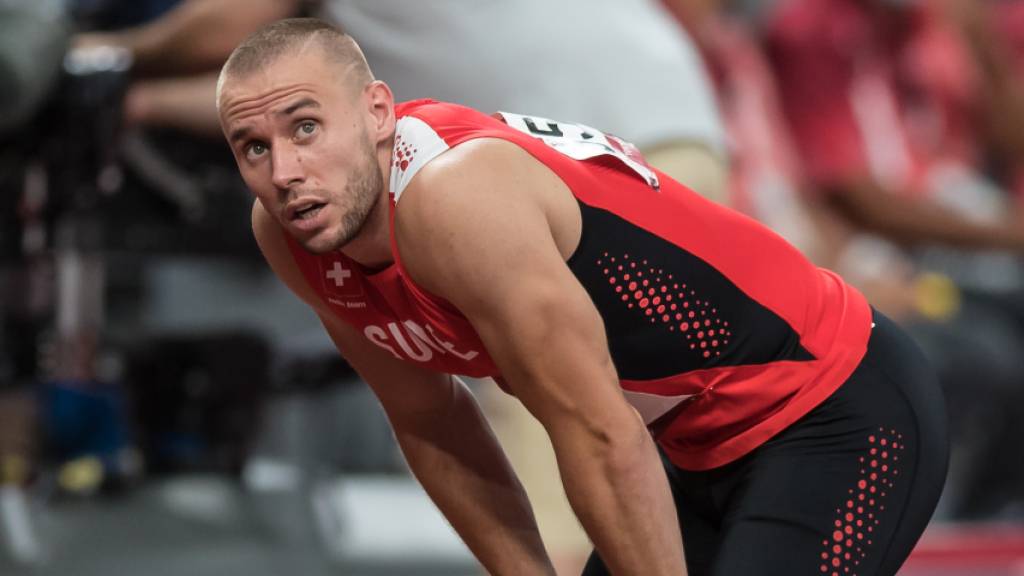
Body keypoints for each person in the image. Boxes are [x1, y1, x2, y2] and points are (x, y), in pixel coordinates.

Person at [218, 18, 949, 575]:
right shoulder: (288, 233)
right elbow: (430, 421)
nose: (284, 173)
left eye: (306, 128)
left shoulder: (453, 199)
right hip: (692, 453)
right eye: (254, 147)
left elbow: (600, 431)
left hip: (835, 408)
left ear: (378, 111)